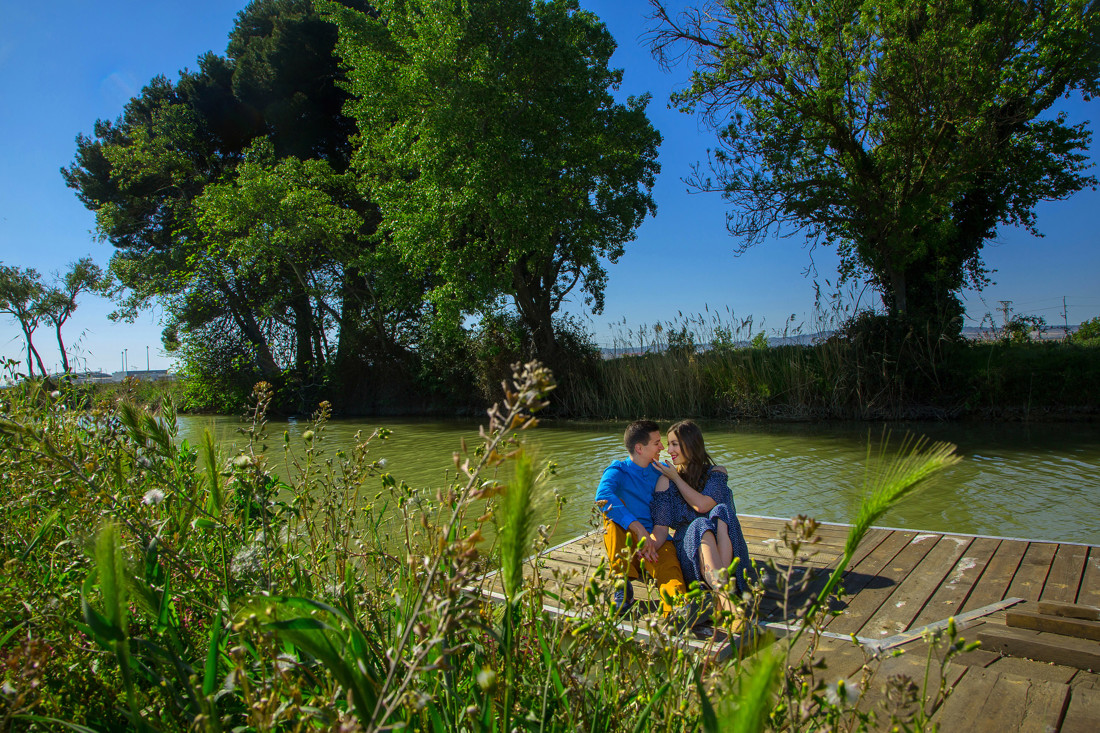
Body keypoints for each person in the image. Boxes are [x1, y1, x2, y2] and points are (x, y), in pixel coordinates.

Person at [650, 420, 757, 619]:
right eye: (668, 444)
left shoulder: (716, 473)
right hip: (692, 555)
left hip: (725, 548)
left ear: (690, 444)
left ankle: (719, 589)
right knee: (700, 524)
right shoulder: (665, 481)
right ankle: (724, 595)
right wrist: (646, 548)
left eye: (674, 444)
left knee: (721, 510)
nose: (669, 450)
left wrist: (677, 479)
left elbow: (703, 505)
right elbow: (662, 529)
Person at [595, 420, 687, 615]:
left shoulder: (662, 470)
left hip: (655, 543)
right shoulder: (618, 470)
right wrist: (638, 528)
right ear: (639, 448)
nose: (662, 447)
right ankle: (622, 588)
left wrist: (650, 540)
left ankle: (677, 608)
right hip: (625, 544)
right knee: (611, 520)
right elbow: (602, 496)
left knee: (669, 569)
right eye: (657, 443)